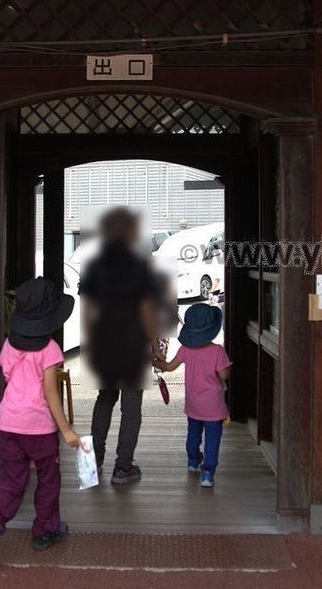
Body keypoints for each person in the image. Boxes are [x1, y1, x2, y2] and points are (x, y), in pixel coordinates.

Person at [0, 277, 81, 568]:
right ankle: (45, 531)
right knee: (48, 478)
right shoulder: (51, 350)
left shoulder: (9, 344)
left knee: (12, 480)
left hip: (8, 422)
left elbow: (8, 377)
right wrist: (66, 429)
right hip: (39, 428)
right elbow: (49, 391)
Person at [79, 207, 161, 485]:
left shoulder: (95, 265)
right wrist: (155, 344)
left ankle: (95, 460)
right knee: (131, 407)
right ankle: (122, 468)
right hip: (133, 345)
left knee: (105, 399)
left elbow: (88, 309)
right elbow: (148, 309)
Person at [153, 302, 231, 488]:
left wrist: (155, 361)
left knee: (193, 433)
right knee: (212, 438)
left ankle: (193, 461)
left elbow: (170, 366)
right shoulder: (218, 351)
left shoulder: (186, 349)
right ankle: (207, 472)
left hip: (194, 404)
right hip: (213, 406)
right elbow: (224, 375)